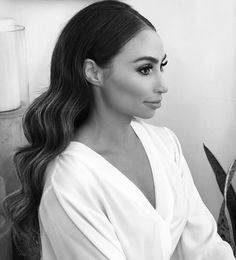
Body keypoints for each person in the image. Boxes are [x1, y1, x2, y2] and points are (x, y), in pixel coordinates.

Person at [4, 1, 235, 259]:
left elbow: (206, 248)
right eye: (145, 69)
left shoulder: (165, 144)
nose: (162, 85)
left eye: (162, 66)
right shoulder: (69, 181)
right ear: (93, 72)